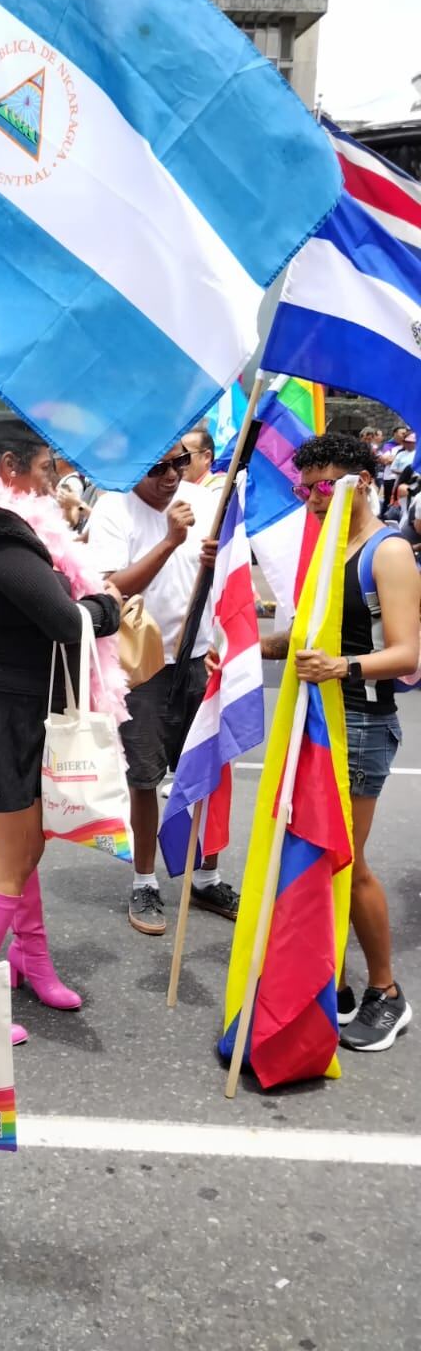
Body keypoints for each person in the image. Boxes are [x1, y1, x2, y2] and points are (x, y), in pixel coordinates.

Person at [0, 417, 123, 1043]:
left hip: (15, 704)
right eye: (44, 468)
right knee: (10, 859)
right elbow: (67, 622)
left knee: (27, 849)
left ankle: (29, 959)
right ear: (9, 467)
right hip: (13, 711)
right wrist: (108, 607)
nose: (52, 480)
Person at [262, 433, 418, 1051]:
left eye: (326, 486)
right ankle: (336, 984)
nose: (315, 499)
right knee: (313, 858)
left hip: (360, 722)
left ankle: (387, 993)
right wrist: (248, 640)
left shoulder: (389, 551)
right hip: (317, 719)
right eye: (307, 488)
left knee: (346, 864)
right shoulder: (329, 549)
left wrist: (342, 668)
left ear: (361, 481)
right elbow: (303, 637)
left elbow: (407, 654)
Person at [86, 442, 235, 935]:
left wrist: (219, 562)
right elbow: (111, 590)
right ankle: (145, 882)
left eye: (179, 462)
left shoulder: (207, 501)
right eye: (157, 466)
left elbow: (229, 577)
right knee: (144, 778)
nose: (172, 474)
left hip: (200, 658)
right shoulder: (113, 507)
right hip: (142, 667)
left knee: (206, 772)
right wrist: (170, 540)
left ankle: (207, 876)